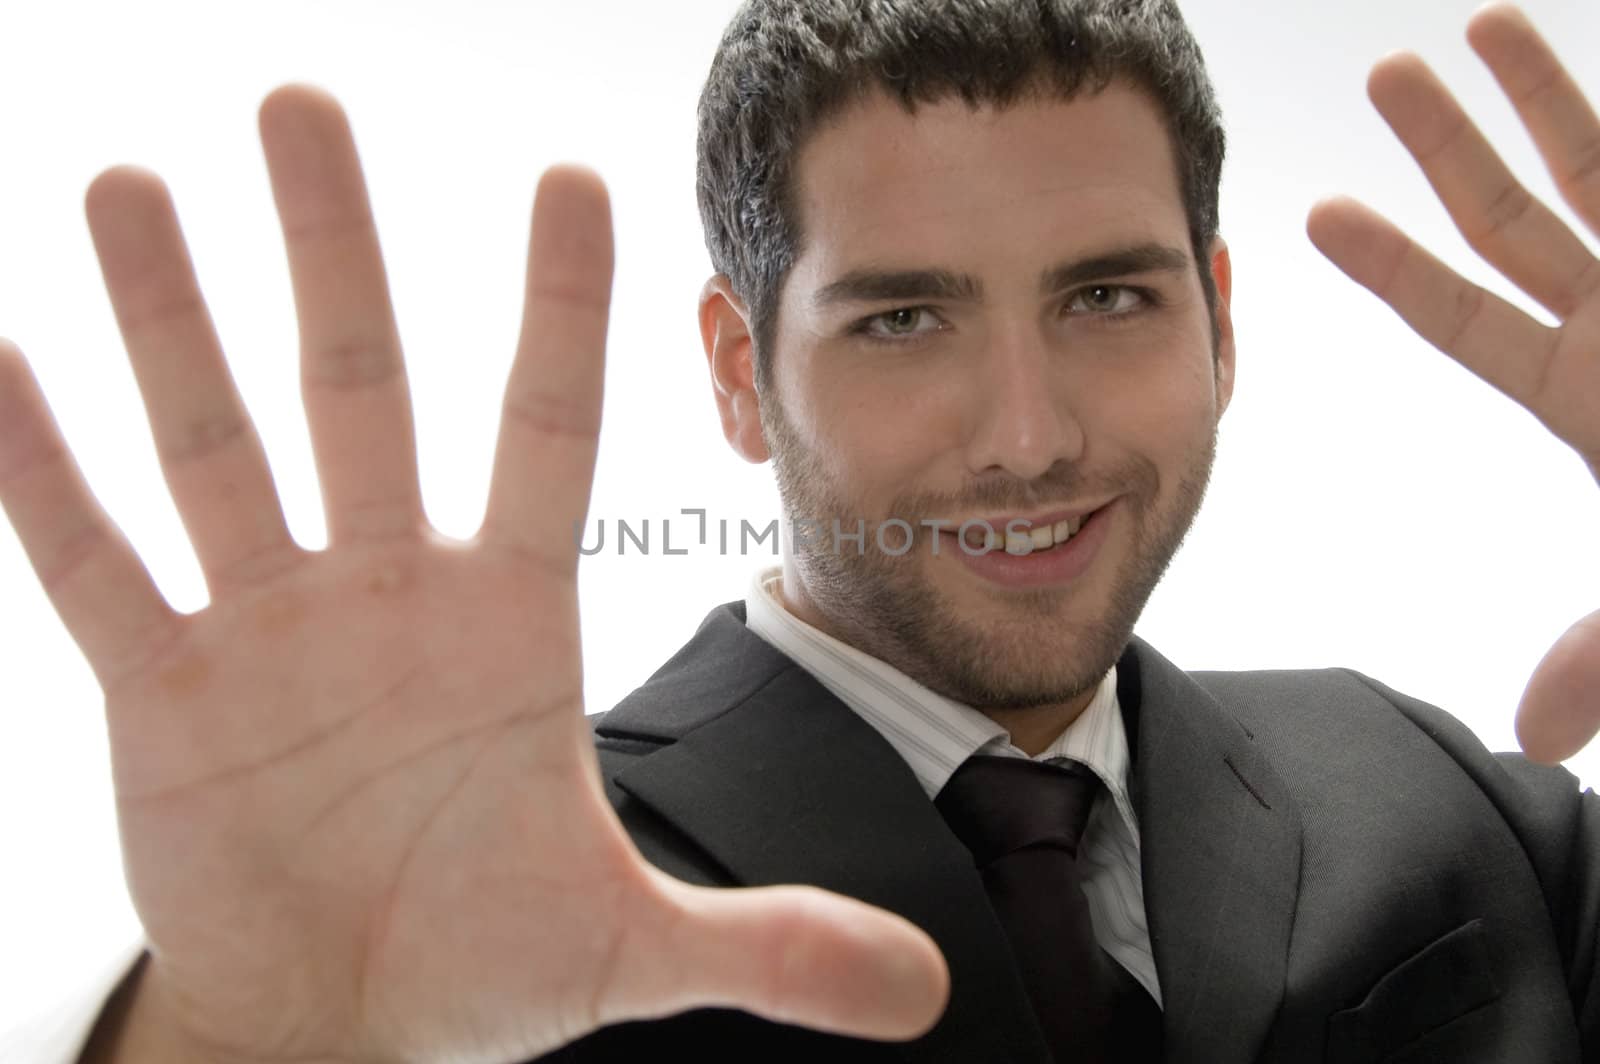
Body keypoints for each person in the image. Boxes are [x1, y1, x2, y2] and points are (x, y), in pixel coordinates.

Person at [2, 0, 1598, 1060]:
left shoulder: (1438, 792)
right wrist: (224, 1035)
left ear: (1219, 323)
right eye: (904, 319)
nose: (1030, 436)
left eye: (1107, 296)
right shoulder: (492, 886)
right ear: (737, 375)